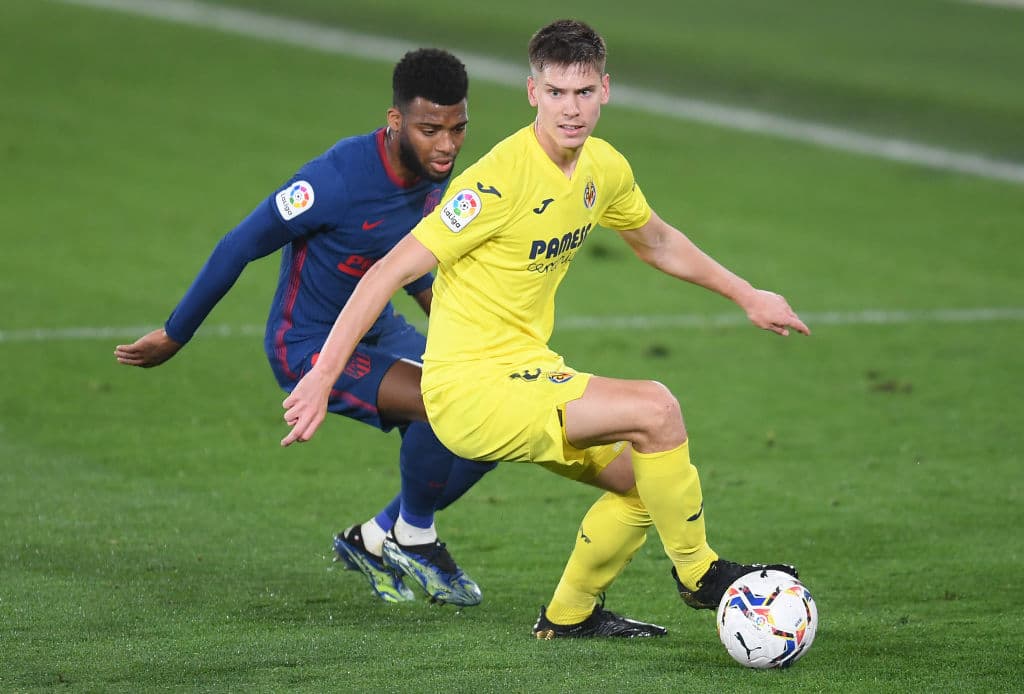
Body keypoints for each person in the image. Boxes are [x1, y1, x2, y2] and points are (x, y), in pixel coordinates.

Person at [280, 19, 810, 639]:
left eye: (583, 92)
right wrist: (321, 378)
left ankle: (570, 616)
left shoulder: (602, 169)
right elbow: (384, 274)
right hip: (470, 389)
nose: (571, 109)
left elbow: (658, 241)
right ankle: (701, 575)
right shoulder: (496, 181)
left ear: (605, 90)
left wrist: (748, 295)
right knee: (658, 410)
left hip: (528, 370)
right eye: (556, 93)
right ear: (532, 93)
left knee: (648, 484)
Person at [114, 48, 494, 607]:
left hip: (376, 329)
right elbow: (240, 244)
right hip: (307, 346)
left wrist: (459, 329)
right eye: (430, 129)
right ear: (395, 122)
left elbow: (408, 256)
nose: (446, 145)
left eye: (458, 128)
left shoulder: (437, 170)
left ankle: (373, 538)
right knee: (443, 404)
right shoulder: (335, 180)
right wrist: (176, 333)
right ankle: (414, 536)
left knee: (492, 418)